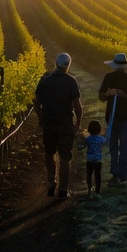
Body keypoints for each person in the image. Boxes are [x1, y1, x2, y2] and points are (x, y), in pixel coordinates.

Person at [34, 52, 83, 198]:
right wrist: (78, 123)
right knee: (65, 156)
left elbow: (36, 101)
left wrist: (41, 118)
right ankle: (62, 189)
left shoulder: (45, 80)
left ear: (55, 63)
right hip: (65, 123)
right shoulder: (71, 81)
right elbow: (77, 107)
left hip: (49, 123)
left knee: (49, 153)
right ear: (68, 66)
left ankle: (51, 182)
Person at [99, 52, 127, 184]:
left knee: (116, 148)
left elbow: (101, 97)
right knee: (122, 148)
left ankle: (118, 175)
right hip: (118, 118)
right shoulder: (112, 77)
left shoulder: (126, 78)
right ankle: (121, 175)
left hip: (115, 117)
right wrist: (108, 93)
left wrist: (123, 95)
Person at [82, 120, 108, 193]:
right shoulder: (100, 139)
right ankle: (98, 189)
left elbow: (82, 146)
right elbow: (106, 142)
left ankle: (89, 188)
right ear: (99, 129)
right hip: (98, 160)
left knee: (89, 174)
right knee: (98, 175)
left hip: (89, 159)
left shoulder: (88, 139)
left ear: (89, 130)